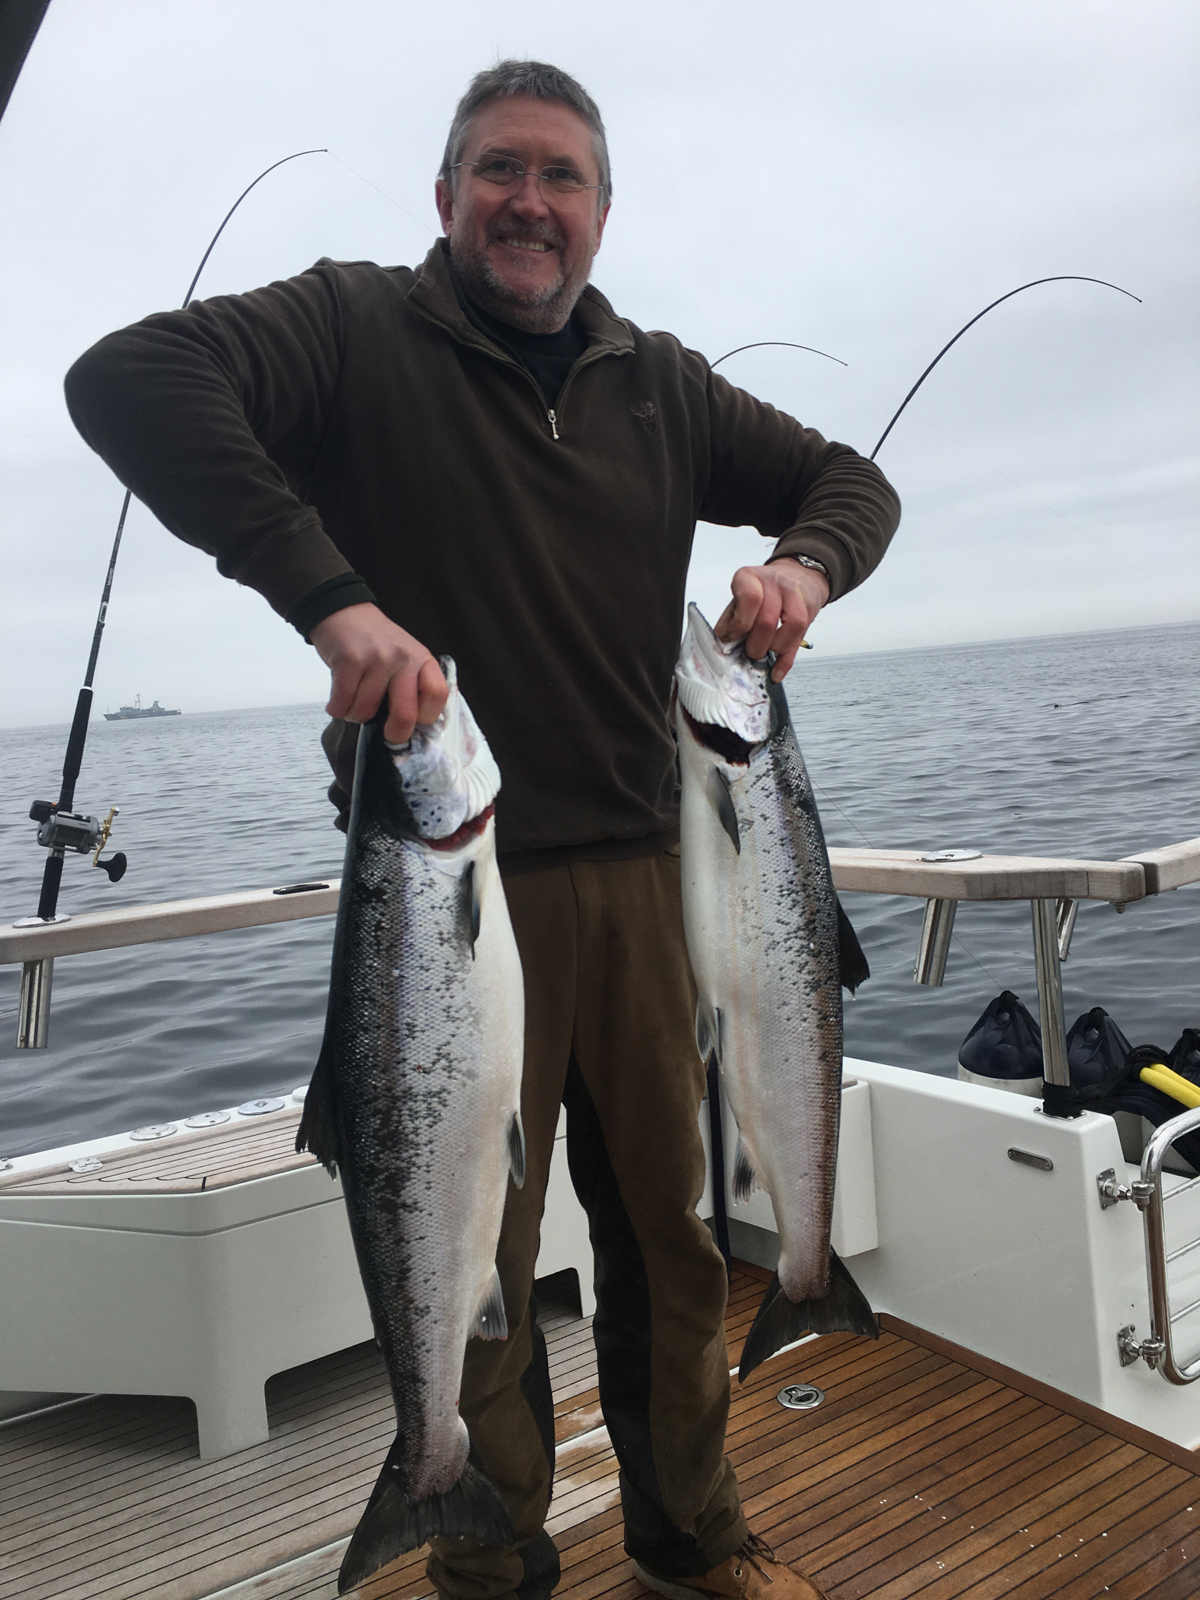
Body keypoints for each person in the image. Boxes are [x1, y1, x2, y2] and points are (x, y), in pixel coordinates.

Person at [65, 60, 899, 1600]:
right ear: (446, 196)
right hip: (436, 884)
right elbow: (128, 380)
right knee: (476, 1264)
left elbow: (850, 483)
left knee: (669, 1243)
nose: (530, 202)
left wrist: (804, 566)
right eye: (499, 171)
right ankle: (487, 1561)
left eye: (562, 176)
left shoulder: (662, 384)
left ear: (601, 213)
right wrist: (332, 600)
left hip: (646, 879)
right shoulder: (350, 327)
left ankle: (694, 1536)